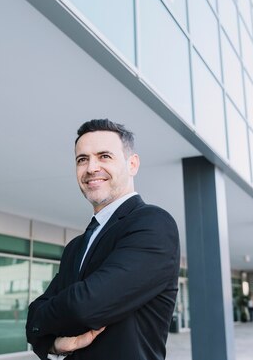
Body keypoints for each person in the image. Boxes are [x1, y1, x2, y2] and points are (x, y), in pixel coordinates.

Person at [26, 119, 180, 360]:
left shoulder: (153, 224)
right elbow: (33, 319)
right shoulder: (75, 247)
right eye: (82, 159)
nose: (90, 168)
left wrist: (46, 315)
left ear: (132, 164)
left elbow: (84, 306)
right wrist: (56, 344)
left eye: (104, 156)